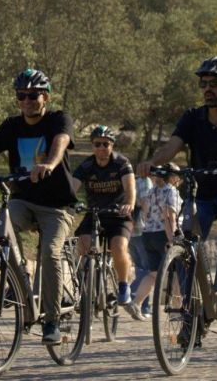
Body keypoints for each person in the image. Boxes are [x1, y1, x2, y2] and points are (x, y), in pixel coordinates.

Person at [0, 68, 76, 345]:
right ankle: (19, 285)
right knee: (2, 230)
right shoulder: (11, 126)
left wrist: (49, 164)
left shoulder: (59, 119)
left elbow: (61, 142)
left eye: (33, 95)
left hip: (57, 205)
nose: (27, 100)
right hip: (23, 200)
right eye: (22, 96)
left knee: (50, 252)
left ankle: (52, 320)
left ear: (45, 97)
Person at [138, 56, 217, 288]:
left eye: (214, 84)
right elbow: (172, 146)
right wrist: (151, 163)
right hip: (204, 194)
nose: (207, 89)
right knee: (185, 240)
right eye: (204, 84)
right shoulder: (193, 117)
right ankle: (191, 315)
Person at [69, 125, 139, 315]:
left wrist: (130, 203)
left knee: (118, 246)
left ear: (112, 145)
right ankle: (85, 285)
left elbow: (130, 187)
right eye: (97, 144)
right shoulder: (86, 166)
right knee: (83, 246)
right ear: (92, 146)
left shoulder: (121, 163)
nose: (101, 148)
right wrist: (67, 202)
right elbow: (72, 188)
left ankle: (123, 286)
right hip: (94, 213)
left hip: (118, 214)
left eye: (106, 144)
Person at [129, 163, 182, 319]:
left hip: (148, 234)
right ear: (172, 177)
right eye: (178, 175)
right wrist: (172, 239)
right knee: (175, 273)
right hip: (163, 234)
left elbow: (144, 212)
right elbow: (169, 216)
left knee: (153, 274)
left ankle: (136, 303)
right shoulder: (171, 191)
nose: (180, 179)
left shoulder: (152, 191)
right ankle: (177, 310)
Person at [129, 171, 153, 318]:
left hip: (129, 231)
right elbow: (144, 203)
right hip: (141, 230)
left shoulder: (129, 180)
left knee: (140, 269)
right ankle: (131, 296)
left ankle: (144, 306)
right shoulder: (145, 181)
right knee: (149, 270)